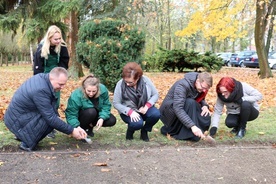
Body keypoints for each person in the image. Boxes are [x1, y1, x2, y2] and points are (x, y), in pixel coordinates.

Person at [4, 67, 87, 151]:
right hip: (17, 119)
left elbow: (49, 108)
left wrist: (75, 127)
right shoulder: (41, 90)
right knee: (51, 122)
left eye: (64, 84)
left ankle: (22, 135)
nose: (63, 87)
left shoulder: (43, 78)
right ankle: (27, 143)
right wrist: (72, 131)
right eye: (60, 84)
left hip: (18, 115)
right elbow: (50, 118)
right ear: (52, 78)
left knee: (54, 119)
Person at [33, 25, 70, 138]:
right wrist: (38, 81)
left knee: (55, 102)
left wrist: (60, 76)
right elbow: (37, 66)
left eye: (59, 38)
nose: (58, 41)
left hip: (56, 78)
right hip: (43, 76)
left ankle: (51, 128)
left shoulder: (62, 47)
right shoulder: (41, 48)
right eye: (56, 39)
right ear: (49, 38)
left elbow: (64, 63)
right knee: (43, 102)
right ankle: (39, 127)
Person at [113, 62, 160, 141]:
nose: (127, 84)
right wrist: (130, 112)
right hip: (128, 110)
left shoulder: (146, 80)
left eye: (130, 82)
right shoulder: (120, 84)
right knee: (137, 124)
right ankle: (130, 131)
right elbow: (116, 103)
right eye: (126, 81)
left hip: (144, 108)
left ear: (138, 77)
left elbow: (155, 94)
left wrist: (147, 106)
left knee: (156, 114)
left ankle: (145, 131)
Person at [160, 72, 213, 142]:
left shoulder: (199, 86)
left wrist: (205, 106)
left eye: (206, 89)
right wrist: (192, 126)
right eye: (203, 88)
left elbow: (200, 98)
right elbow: (178, 108)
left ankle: (199, 131)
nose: (204, 90)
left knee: (205, 116)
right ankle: (181, 131)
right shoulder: (182, 85)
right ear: (197, 81)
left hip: (187, 107)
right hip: (171, 112)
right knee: (190, 102)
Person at [65, 74, 116, 139]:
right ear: (84, 88)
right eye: (89, 91)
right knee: (91, 111)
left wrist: (102, 118)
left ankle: (90, 126)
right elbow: (71, 114)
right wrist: (76, 126)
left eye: (94, 91)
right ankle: (82, 130)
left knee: (112, 120)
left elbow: (106, 105)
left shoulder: (103, 90)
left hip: (95, 114)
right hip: (82, 116)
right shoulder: (76, 95)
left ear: (98, 88)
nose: (91, 94)